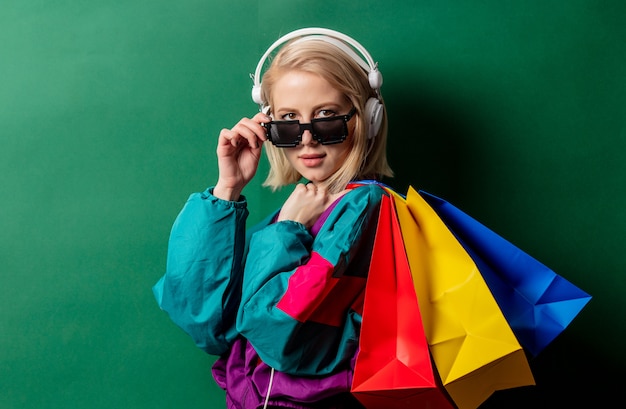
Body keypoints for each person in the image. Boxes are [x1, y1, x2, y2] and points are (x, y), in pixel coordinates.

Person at [153, 27, 393, 409]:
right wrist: (227, 190)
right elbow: (205, 322)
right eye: (288, 122)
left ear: (367, 118)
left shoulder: (364, 208)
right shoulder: (301, 206)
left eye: (327, 117)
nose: (307, 139)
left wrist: (287, 232)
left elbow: (277, 335)